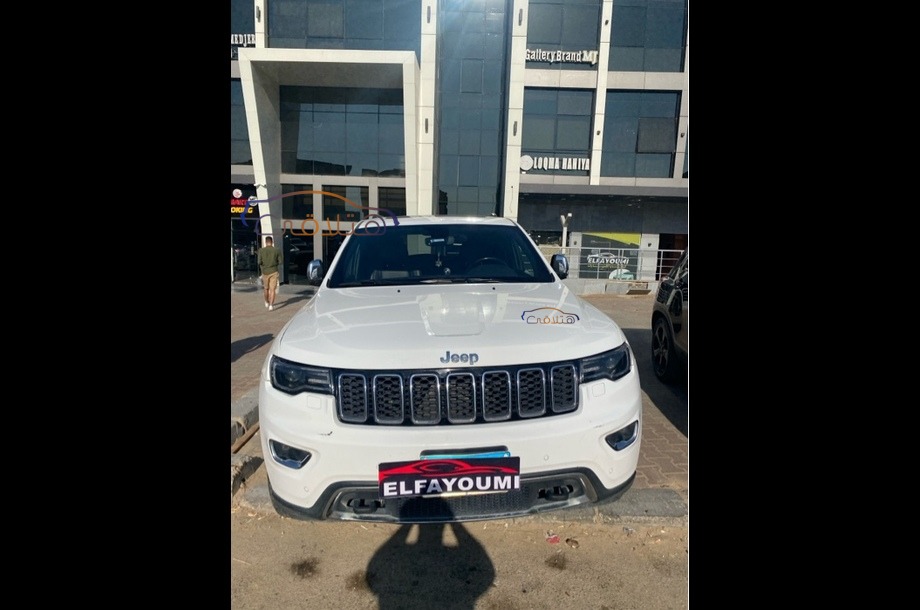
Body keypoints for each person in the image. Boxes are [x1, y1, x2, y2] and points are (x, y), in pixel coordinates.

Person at [258, 235, 282, 311]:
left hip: (265, 272)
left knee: (266, 288)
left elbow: (259, 262)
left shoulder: (261, 250)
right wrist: (275, 263)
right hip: (274, 271)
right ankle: (271, 305)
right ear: (272, 242)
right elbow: (281, 261)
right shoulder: (277, 250)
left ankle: (266, 301)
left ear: (265, 242)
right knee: (272, 289)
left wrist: (264, 265)